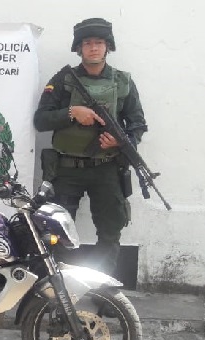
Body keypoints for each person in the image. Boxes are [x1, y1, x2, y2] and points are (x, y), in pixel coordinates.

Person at [33, 17, 148, 276]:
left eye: (99, 42)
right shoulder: (63, 80)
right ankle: (61, 288)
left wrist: (121, 141)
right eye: (87, 43)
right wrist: (71, 113)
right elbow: (40, 120)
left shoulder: (122, 82)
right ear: (79, 48)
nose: (94, 48)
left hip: (106, 168)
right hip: (66, 169)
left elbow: (138, 125)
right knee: (57, 231)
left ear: (108, 46)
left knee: (110, 231)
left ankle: (104, 289)